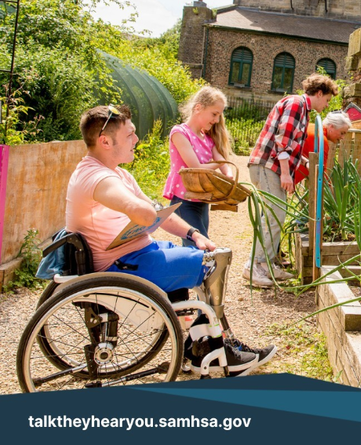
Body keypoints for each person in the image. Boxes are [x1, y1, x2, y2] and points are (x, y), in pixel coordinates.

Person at [67, 104, 275, 376]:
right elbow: (141, 210)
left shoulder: (116, 172)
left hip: (136, 255)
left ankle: (200, 345)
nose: (136, 139)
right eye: (130, 134)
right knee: (215, 260)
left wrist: (194, 234)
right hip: (123, 266)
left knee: (196, 253)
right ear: (105, 141)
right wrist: (142, 210)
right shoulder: (100, 177)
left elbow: (158, 214)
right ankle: (220, 348)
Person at [243, 73, 339, 288]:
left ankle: (266, 264)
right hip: (269, 165)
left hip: (271, 165)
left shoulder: (302, 109)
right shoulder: (296, 104)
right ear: (319, 93)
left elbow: (291, 144)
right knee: (274, 215)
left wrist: (303, 161)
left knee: (274, 215)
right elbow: (282, 140)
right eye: (327, 100)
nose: (326, 105)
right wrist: (286, 173)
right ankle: (254, 266)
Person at [163, 86, 233, 243]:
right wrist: (218, 165)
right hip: (183, 200)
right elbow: (195, 168)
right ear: (198, 108)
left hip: (201, 198)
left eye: (219, 115)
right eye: (214, 114)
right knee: (200, 247)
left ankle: (190, 268)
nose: (216, 120)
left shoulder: (207, 138)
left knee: (197, 247)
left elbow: (220, 158)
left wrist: (228, 174)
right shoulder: (180, 133)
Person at [294, 110, 352, 186]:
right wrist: (331, 192)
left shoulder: (312, 127)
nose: (343, 137)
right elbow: (320, 175)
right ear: (331, 126)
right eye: (342, 133)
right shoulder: (320, 140)